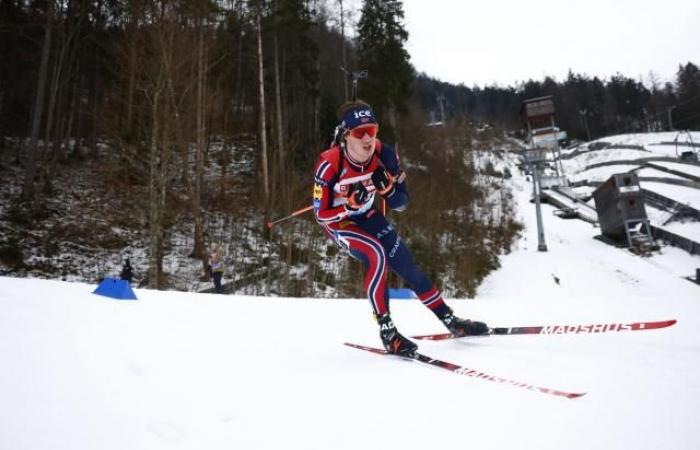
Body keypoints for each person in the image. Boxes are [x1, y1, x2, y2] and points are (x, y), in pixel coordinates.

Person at [313, 101, 489, 356]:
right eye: (359, 133)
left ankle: (452, 322)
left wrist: (388, 190)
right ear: (345, 135)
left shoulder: (385, 155)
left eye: (371, 131)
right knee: (376, 254)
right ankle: (388, 333)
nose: (367, 139)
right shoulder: (329, 164)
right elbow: (321, 215)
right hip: (339, 223)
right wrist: (348, 205)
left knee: (407, 265)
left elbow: (402, 204)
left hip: (368, 215)